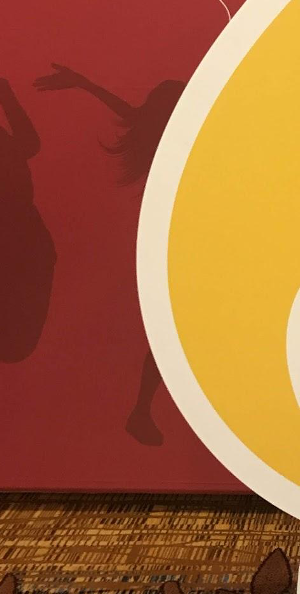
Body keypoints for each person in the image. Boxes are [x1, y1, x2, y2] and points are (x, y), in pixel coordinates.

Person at [34, 64, 186, 445]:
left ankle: (145, 409)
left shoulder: (162, 134)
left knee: (176, 330)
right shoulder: (179, 139)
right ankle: (148, 409)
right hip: (178, 241)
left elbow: (125, 109)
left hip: (170, 239)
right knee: (178, 330)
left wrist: (85, 81)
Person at [0, 77, 56, 363]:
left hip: (16, 234)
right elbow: (30, 144)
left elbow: (29, 144)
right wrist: (7, 96)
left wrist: (7, 97)